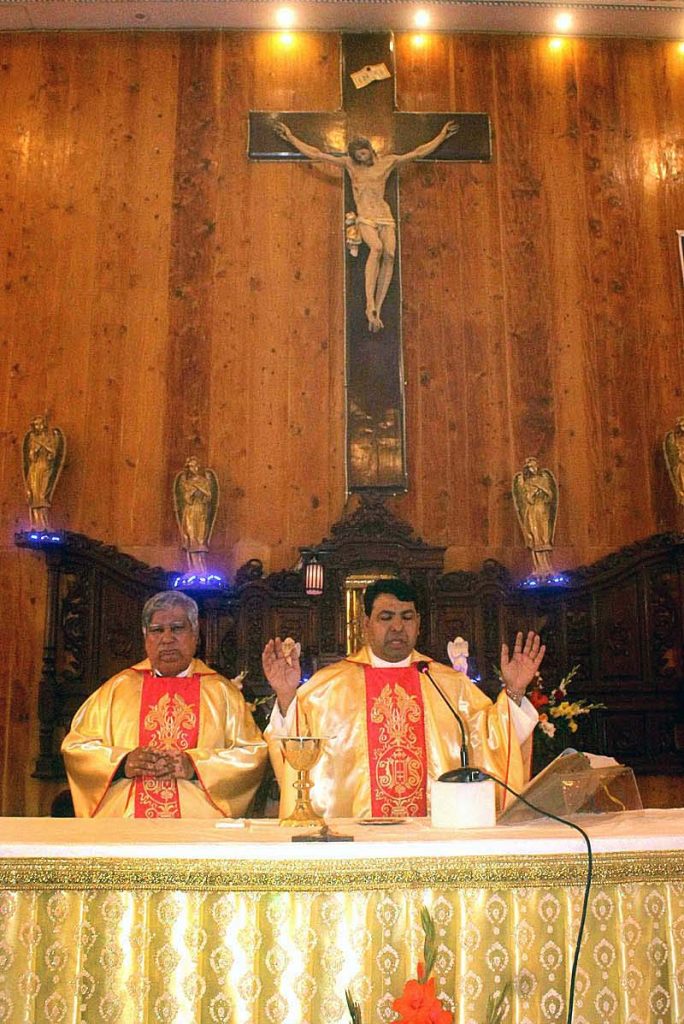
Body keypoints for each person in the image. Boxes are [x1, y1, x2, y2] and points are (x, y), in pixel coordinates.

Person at [263, 579, 543, 820]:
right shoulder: (328, 687)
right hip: (352, 843)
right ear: (366, 624)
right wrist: (287, 696)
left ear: (419, 624)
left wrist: (515, 691)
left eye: (407, 617)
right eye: (386, 617)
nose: (398, 626)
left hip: (434, 841)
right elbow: (295, 750)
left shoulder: (449, 685)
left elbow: (494, 741)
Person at [62, 591, 266, 818]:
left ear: (195, 635)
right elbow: (76, 747)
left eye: (177, 628)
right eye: (157, 630)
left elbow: (252, 753)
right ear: (145, 636)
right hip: (127, 823)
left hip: (196, 827)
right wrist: (122, 763)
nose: (167, 639)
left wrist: (195, 766)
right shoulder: (117, 689)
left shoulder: (221, 693)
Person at [274, 119, 458, 333]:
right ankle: (369, 303)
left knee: (389, 255)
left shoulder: (388, 162)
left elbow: (417, 153)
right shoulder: (350, 165)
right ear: (354, 157)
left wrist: (441, 136)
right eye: (359, 155)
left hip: (384, 216)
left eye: (365, 152)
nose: (363, 157)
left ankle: (377, 309)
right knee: (376, 248)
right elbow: (317, 154)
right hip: (365, 217)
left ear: (370, 150)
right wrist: (290, 137)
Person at [173, 456, 218, 572]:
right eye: (191, 466)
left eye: (196, 465)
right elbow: (186, 499)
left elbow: (209, 496)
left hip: (201, 511)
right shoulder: (186, 483)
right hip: (190, 511)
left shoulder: (204, 481)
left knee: (201, 538)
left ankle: (202, 569)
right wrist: (192, 492)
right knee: (191, 538)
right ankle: (192, 568)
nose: (194, 468)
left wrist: (200, 488)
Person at [22, 415, 65, 529]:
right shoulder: (32, 439)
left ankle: (45, 524)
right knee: (33, 495)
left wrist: (46, 447)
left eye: (40, 424)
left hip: (45, 468)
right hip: (35, 468)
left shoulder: (50, 438)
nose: (38, 427)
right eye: (35, 424)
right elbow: (30, 457)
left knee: (43, 495)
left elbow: (54, 455)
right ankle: (35, 524)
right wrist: (34, 451)